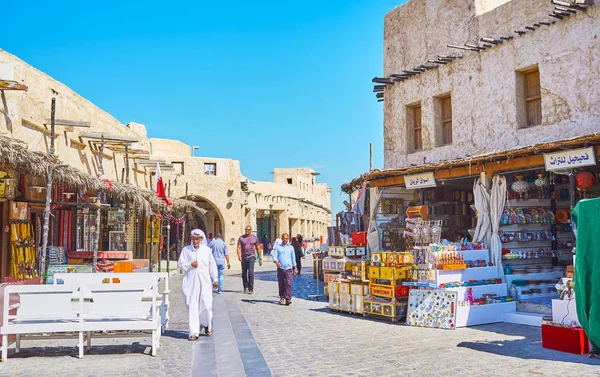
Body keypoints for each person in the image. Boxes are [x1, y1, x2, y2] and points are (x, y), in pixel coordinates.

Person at [177, 229, 218, 340]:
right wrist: (190, 265)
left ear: (201, 239)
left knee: (206, 303)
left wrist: (215, 279)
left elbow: (212, 264)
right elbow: (180, 264)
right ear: (191, 239)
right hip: (191, 281)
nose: (195, 240)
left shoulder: (207, 250)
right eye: (193, 238)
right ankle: (193, 332)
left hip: (204, 281)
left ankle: (206, 325)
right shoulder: (186, 250)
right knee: (192, 305)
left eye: (197, 239)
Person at [273, 233, 297, 305]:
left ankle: (288, 298)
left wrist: (295, 268)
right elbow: (275, 256)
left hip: (288, 268)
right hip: (280, 268)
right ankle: (282, 297)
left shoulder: (291, 248)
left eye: (286, 239)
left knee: (288, 283)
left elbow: (293, 258)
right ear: (282, 239)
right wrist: (276, 262)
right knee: (281, 284)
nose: (285, 240)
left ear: (288, 239)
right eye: (284, 238)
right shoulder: (278, 247)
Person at [237, 225, 262, 294]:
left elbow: (258, 248)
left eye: (248, 230)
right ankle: (245, 287)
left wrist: (260, 258)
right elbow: (239, 247)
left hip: (251, 256)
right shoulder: (241, 238)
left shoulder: (254, 238)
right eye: (245, 230)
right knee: (244, 273)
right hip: (244, 257)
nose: (246, 231)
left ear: (251, 230)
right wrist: (239, 255)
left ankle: (251, 288)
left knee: (251, 273)